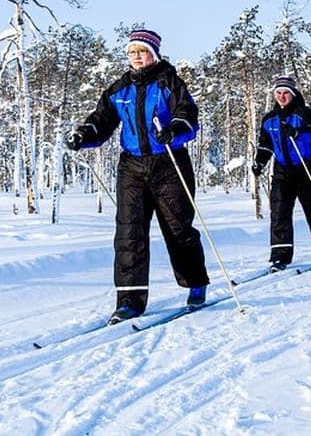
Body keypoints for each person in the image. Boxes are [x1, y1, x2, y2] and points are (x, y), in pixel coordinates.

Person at [65, 29, 210, 324]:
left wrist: (174, 130)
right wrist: (84, 134)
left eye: (142, 52)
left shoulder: (169, 82)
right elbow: (101, 121)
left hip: (168, 162)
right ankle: (129, 300)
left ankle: (195, 284)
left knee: (178, 228)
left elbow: (187, 115)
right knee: (129, 232)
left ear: (153, 54)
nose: (137, 57)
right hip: (131, 167)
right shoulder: (119, 89)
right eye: (132, 52)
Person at [251, 76, 311, 272]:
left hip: (306, 167)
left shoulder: (303, 113)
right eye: (278, 93)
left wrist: (297, 132)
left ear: (293, 94)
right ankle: (280, 256)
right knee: (279, 211)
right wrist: (260, 162)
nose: (281, 97)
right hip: (282, 170)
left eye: (285, 93)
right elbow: (265, 144)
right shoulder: (269, 119)